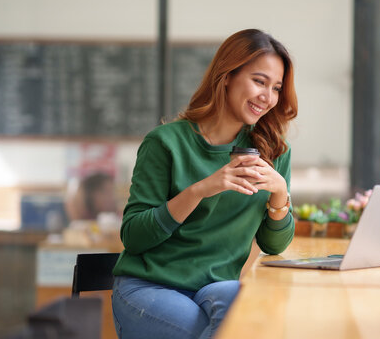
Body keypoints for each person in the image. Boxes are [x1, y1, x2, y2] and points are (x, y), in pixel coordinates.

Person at [111, 28, 298, 339]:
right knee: (231, 331)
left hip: (215, 287)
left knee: (254, 309)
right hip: (149, 287)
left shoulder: (273, 151)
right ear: (227, 76)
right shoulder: (166, 142)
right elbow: (134, 236)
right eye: (259, 81)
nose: (268, 97)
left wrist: (280, 194)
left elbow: (273, 244)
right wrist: (201, 189)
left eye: (276, 88)